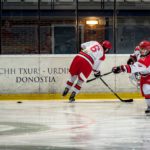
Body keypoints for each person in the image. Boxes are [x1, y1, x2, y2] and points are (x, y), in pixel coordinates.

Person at [112, 40, 150, 114]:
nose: (141, 50)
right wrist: (131, 59)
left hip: (146, 73)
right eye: (141, 49)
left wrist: (121, 68)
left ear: (149, 49)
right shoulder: (138, 50)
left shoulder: (147, 60)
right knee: (146, 90)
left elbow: (134, 67)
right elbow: (134, 55)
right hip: (144, 75)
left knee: (147, 89)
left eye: (143, 49)